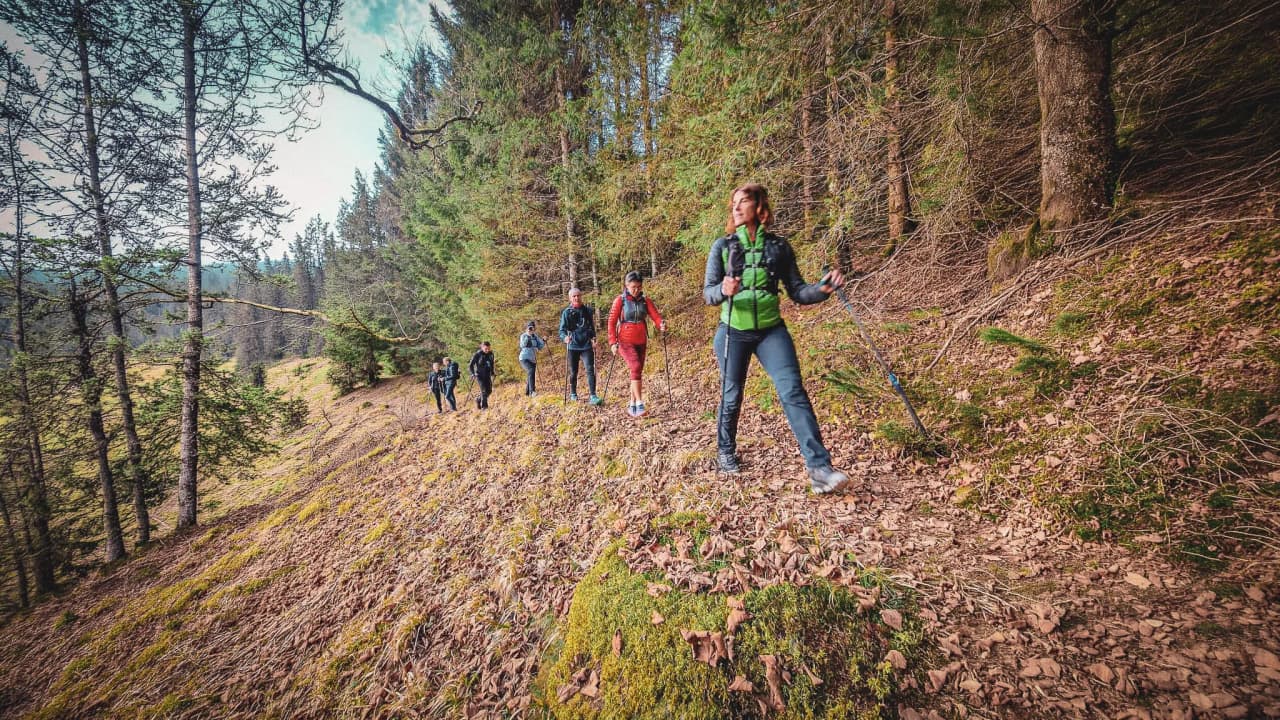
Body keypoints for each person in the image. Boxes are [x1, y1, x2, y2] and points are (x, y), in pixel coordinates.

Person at [703, 182, 850, 494]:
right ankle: (725, 452)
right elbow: (708, 293)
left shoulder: (779, 247)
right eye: (734, 203)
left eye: (743, 202)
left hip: (771, 331)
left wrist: (822, 289)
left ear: (759, 207)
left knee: (793, 391)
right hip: (733, 331)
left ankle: (819, 468)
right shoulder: (723, 246)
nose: (737, 207)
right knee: (732, 396)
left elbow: (797, 291)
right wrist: (723, 290)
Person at [607, 271, 666, 417]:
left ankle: (632, 404)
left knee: (637, 371)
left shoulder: (645, 300)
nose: (636, 290)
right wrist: (612, 342)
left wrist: (661, 324)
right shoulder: (620, 300)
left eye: (639, 287)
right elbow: (612, 322)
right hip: (624, 340)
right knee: (635, 366)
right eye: (633, 287)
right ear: (626, 285)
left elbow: (655, 316)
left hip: (641, 340)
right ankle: (640, 403)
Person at [558, 287, 602, 405]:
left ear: (581, 296)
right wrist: (565, 338)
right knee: (573, 371)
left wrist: (594, 339)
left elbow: (591, 327)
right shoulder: (566, 312)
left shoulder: (587, 310)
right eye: (574, 296)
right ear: (570, 298)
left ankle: (593, 395)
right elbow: (561, 331)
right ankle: (573, 393)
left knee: (590, 369)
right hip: (573, 346)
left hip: (586, 345)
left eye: (578, 295)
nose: (576, 298)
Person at [517, 321, 547, 396]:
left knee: (531, 373)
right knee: (531, 371)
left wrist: (544, 341)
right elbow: (522, 345)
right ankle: (532, 391)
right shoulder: (523, 336)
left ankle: (527, 393)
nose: (531, 329)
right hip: (524, 358)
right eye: (529, 328)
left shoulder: (535, 336)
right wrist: (528, 335)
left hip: (532, 359)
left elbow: (540, 347)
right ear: (527, 328)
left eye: (532, 328)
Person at [469, 341, 496, 410]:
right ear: (482, 347)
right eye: (486, 348)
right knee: (483, 391)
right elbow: (471, 365)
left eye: (488, 348)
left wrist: (492, 373)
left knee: (489, 391)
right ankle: (484, 407)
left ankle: (478, 399)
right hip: (479, 375)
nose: (487, 350)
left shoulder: (491, 354)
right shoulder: (478, 354)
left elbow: (492, 364)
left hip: (487, 375)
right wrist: (473, 373)